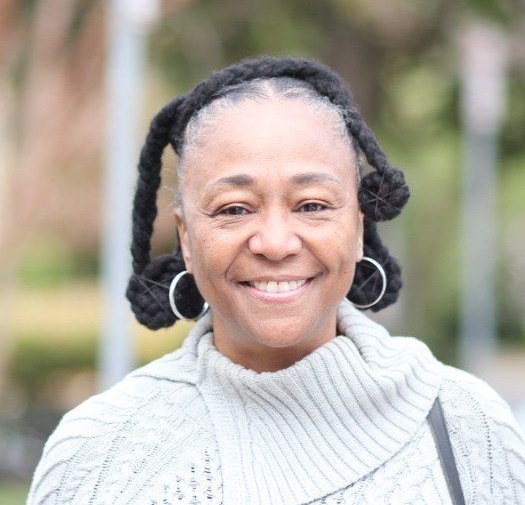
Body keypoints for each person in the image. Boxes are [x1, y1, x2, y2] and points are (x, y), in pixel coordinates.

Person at [27, 56, 525, 504]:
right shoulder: (96, 456)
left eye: (311, 205)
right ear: (185, 237)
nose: (275, 241)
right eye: (234, 208)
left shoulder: (467, 428)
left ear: (358, 226)